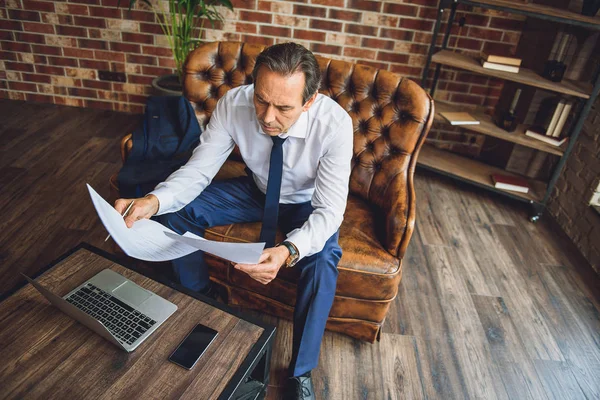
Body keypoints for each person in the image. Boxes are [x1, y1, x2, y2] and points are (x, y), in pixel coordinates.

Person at [114, 42, 353, 400]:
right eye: (262, 99)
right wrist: (154, 200)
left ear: (309, 101)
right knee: (175, 214)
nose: (268, 117)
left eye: (283, 107)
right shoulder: (234, 103)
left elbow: (330, 211)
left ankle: (301, 372)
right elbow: (199, 169)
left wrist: (289, 249)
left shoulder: (335, 125)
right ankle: (204, 301)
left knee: (322, 261)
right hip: (255, 190)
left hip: (307, 203)